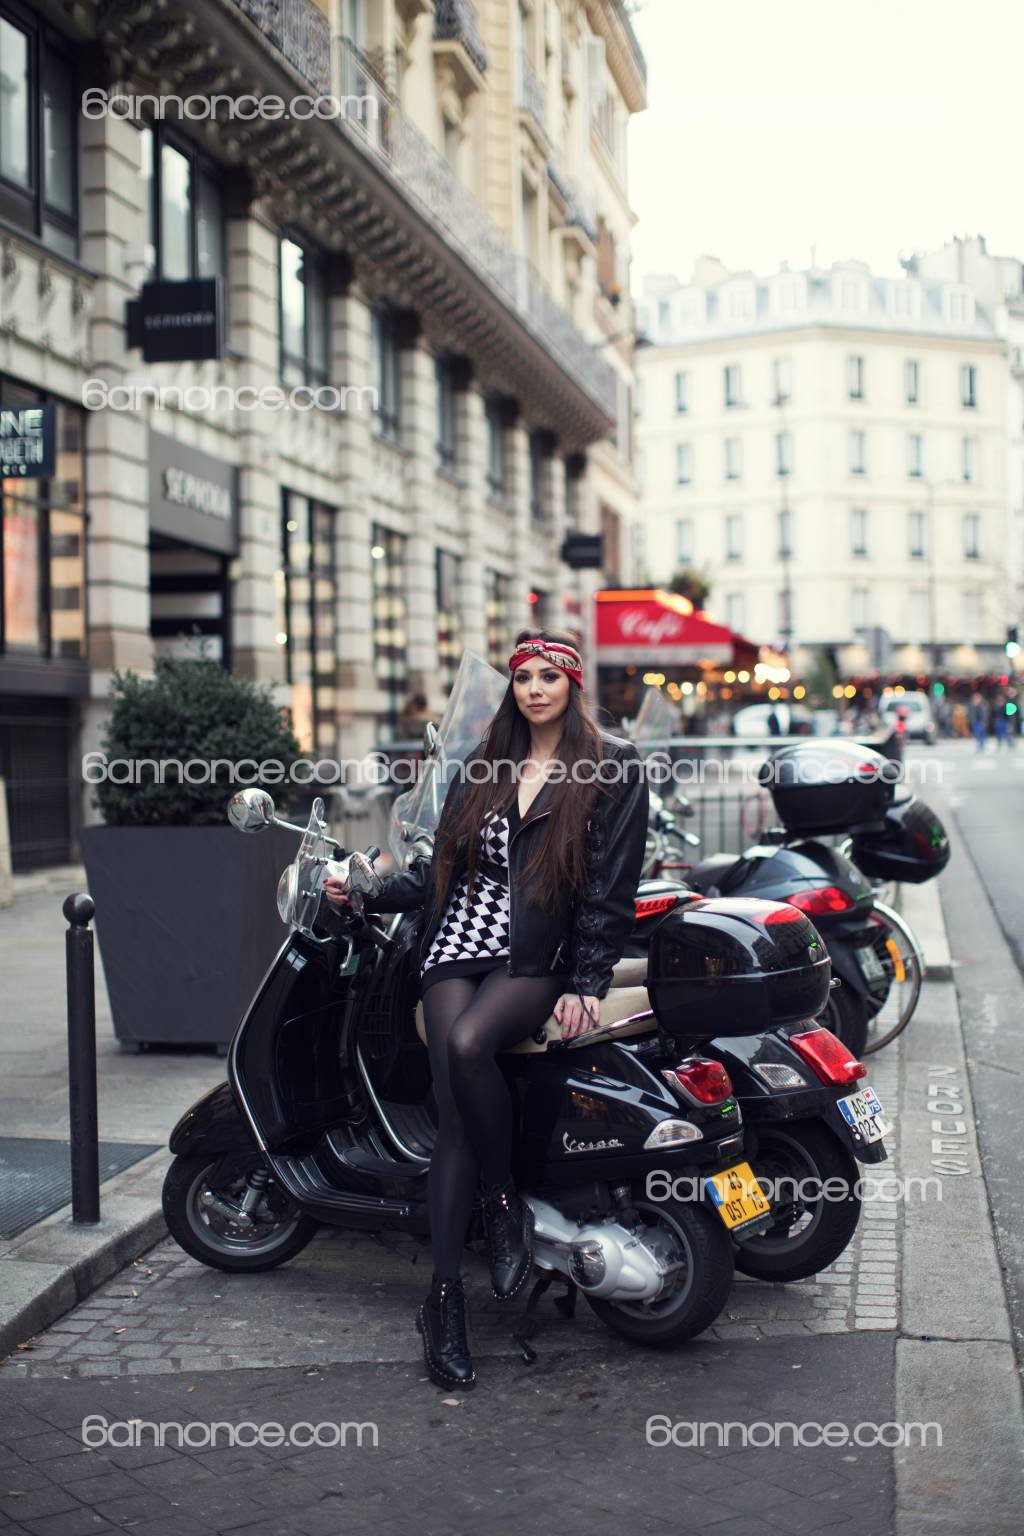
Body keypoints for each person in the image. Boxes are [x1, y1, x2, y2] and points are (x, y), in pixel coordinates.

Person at [324, 628, 649, 1391]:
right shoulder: (484, 763)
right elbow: (438, 871)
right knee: (454, 1113)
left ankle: (502, 1202)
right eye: (523, 677)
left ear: (572, 684)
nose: (534, 689)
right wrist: (363, 888)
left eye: (549, 676)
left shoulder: (610, 766)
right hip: (455, 943)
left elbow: (610, 890)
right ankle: (445, 1303)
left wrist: (587, 982)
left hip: (530, 956)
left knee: (469, 1046)